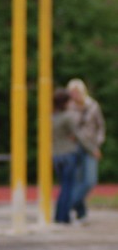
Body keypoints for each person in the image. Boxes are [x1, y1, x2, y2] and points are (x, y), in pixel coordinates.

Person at [67, 78, 105, 224]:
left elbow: (101, 126)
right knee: (77, 180)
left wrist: (97, 143)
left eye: (76, 92)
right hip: (74, 147)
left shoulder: (93, 106)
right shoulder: (69, 107)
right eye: (72, 92)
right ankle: (81, 214)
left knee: (89, 181)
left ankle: (69, 205)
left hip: (90, 147)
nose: (74, 95)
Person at [51, 88, 80, 224]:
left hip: (56, 155)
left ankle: (58, 215)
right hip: (68, 154)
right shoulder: (68, 117)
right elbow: (76, 134)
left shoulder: (51, 117)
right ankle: (64, 217)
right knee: (68, 188)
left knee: (63, 187)